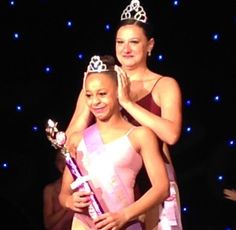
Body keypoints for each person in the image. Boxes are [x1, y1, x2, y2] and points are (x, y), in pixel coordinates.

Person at [65, 0, 183, 229]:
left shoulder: (164, 84)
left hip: (152, 184)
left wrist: (127, 102)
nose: (125, 49)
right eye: (120, 42)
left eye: (134, 42)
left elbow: (171, 134)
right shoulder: (97, 85)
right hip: (108, 184)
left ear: (149, 45)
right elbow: (71, 139)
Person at [59, 54, 169, 230]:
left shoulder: (140, 135)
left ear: (118, 92)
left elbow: (162, 188)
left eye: (102, 94)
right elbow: (64, 194)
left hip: (123, 223)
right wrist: (69, 201)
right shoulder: (78, 139)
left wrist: (124, 215)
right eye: (89, 95)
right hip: (84, 224)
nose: (95, 101)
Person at [43, 152, 74, 230]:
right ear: (56, 164)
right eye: (60, 160)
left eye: (65, 159)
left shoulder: (82, 184)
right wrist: (67, 204)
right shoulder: (50, 189)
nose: (63, 163)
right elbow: (48, 224)